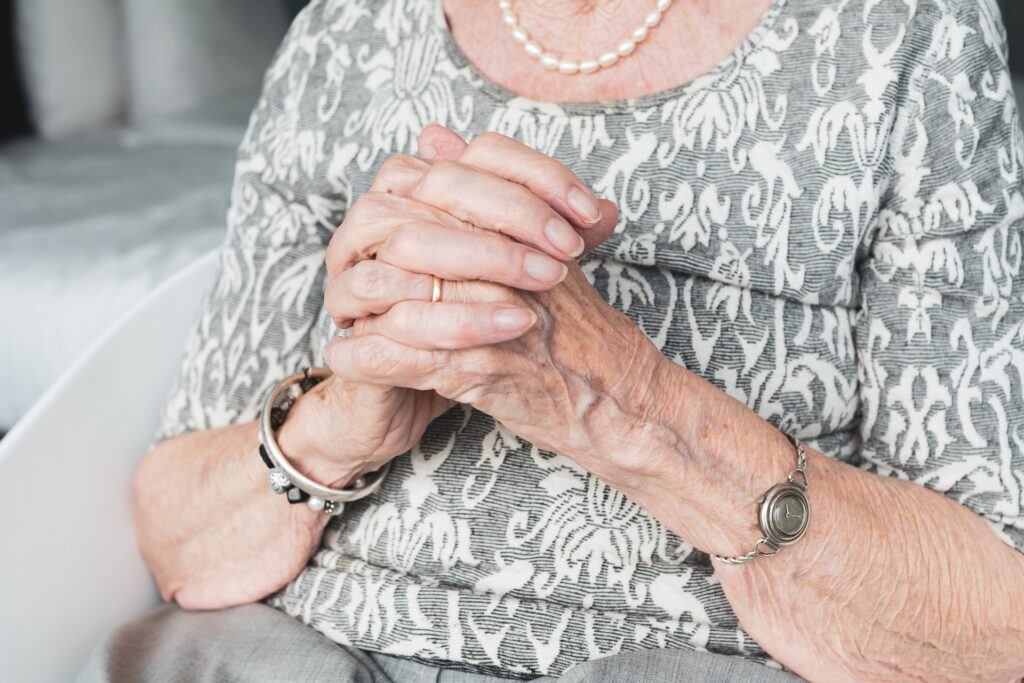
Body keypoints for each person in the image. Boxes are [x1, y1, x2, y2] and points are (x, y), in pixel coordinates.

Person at [81, 0, 1024, 681]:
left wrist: (617, 398)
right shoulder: (345, 33)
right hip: (299, 649)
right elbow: (181, 538)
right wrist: (346, 409)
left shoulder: (904, 36)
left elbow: (991, 632)